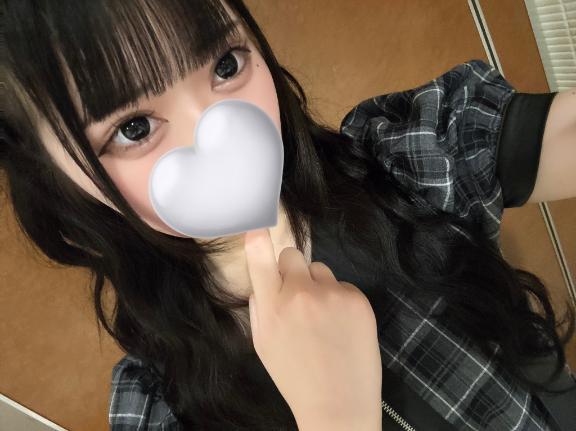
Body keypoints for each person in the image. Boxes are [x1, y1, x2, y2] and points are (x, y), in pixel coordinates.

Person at [2, 0, 575, 430]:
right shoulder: (161, 409)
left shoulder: (400, 158)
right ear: (50, 172)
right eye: (133, 128)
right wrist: (334, 417)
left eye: (227, 63)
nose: (221, 131)